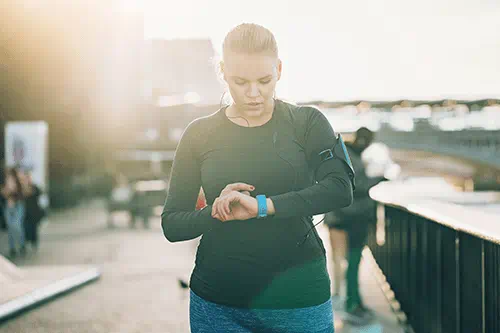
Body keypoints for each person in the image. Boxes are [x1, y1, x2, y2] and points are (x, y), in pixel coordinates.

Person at [161, 23, 355, 333]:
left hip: (299, 300)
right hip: (218, 303)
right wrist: (216, 212)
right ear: (223, 71)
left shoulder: (307, 122)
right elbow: (171, 224)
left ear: (279, 69)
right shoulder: (199, 134)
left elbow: (340, 189)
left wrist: (262, 206)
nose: (254, 94)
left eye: (264, 80)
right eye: (240, 82)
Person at [324, 126, 385, 324]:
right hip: (352, 218)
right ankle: (350, 303)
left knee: (340, 260)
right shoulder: (352, 159)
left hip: (338, 217)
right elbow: (357, 185)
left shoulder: (343, 155)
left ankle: (342, 298)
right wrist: (379, 179)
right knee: (352, 260)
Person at [1, 168, 26, 258]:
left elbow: (22, 195)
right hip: (8, 207)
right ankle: (12, 248)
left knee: (17, 225)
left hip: (18, 206)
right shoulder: (5, 185)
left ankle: (21, 244)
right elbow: (3, 195)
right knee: (10, 227)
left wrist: (12, 191)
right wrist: (6, 191)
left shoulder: (19, 184)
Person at [19, 169, 45, 251]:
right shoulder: (22, 188)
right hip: (25, 212)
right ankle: (25, 244)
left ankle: (34, 243)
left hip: (34, 211)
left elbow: (39, 192)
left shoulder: (34, 187)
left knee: (34, 229)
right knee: (26, 228)